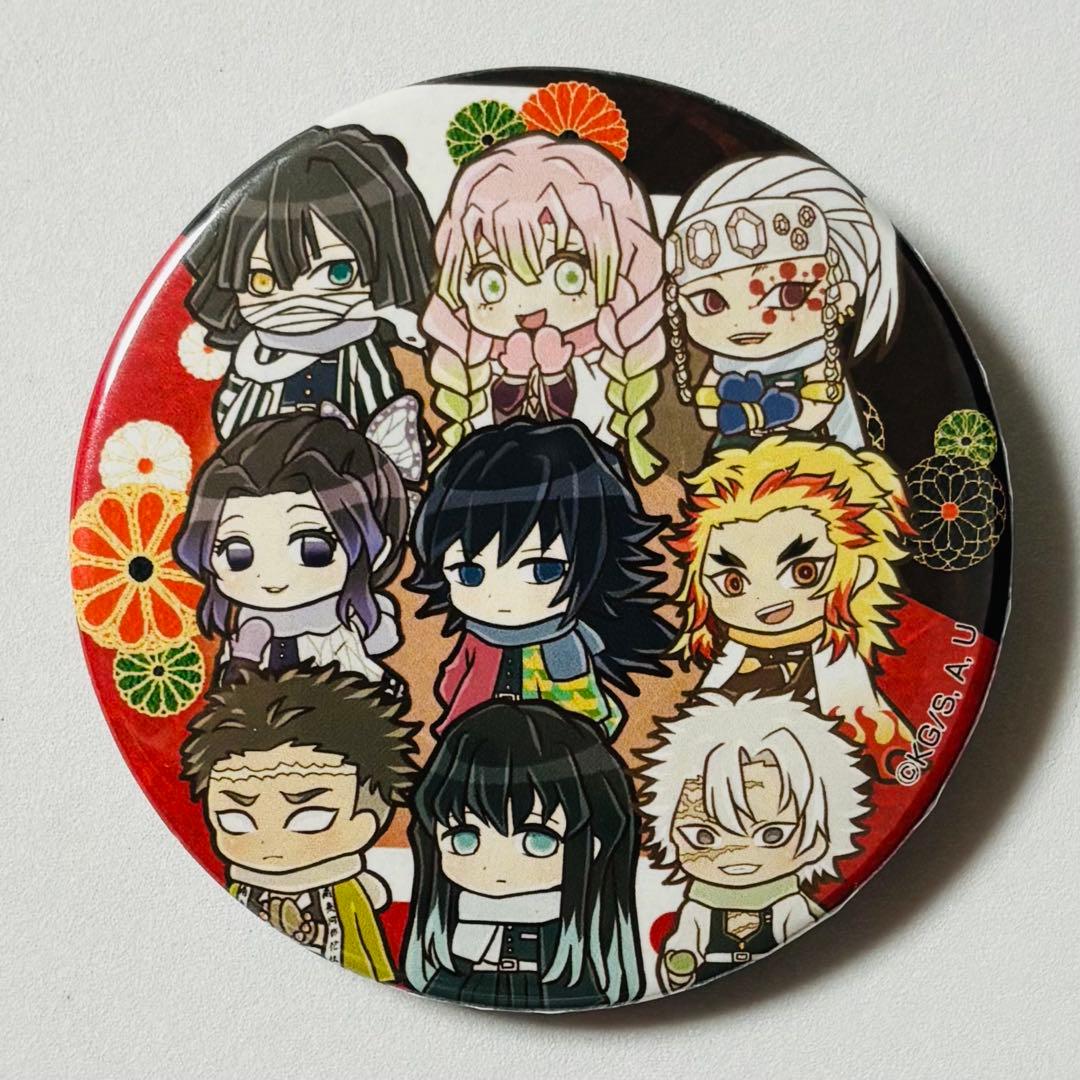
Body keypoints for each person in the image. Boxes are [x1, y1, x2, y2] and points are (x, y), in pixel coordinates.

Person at [183, 124, 435, 438]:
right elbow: (231, 409)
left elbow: (381, 402)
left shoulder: (362, 345)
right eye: (263, 281)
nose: (300, 302)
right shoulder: (256, 351)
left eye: (338, 274)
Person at [179, 667, 419, 982]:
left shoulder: (347, 895)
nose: (269, 842)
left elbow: (367, 955)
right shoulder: (237, 891)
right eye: (235, 819)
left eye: (310, 818)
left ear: (364, 823)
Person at [402, 699, 643, 1009]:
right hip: (466, 986)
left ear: (595, 843)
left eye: (538, 841)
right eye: (465, 839)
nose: (496, 867)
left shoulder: (577, 939)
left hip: (558, 989)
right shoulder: (449, 927)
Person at [638, 692, 869, 990]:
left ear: (816, 840)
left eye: (772, 834)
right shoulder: (698, 910)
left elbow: (805, 959)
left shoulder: (789, 906)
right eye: (703, 836)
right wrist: (679, 966)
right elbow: (681, 949)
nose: (735, 853)